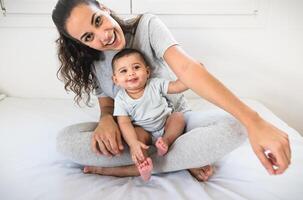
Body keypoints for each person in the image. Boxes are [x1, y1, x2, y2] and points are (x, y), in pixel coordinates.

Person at [51, 0, 291, 181]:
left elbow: (187, 69)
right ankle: (180, 158)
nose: (103, 36)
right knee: (66, 142)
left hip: (175, 123)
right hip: (135, 133)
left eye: (98, 20)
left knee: (236, 127)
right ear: (80, 43)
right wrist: (106, 120)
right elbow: (107, 104)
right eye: (88, 36)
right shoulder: (93, 61)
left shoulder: (147, 26)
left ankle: (132, 167)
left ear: (103, 8)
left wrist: (254, 121)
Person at [111, 48, 212, 181]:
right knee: (136, 135)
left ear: (147, 72)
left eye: (136, 67)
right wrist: (133, 143)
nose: (131, 73)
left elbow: (177, 86)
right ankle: (144, 165)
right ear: (116, 79)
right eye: (124, 71)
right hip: (144, 131)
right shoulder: (121, 98)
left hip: (165, 125)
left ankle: (166, 141)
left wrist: (194, 74)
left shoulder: (155, 84)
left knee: (178, 117)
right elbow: (124, 122)